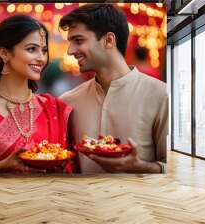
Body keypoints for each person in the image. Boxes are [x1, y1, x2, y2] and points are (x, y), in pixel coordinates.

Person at [0, 15, 72, 174]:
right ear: (4, 53)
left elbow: (70, 166)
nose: (41, 58)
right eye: (31, 49)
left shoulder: (54, 107)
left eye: (44, 50)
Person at [59, 4, 168, 174]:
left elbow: (176, 169)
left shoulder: (161, 95)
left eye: (78, 40)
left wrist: (142, 168)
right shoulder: (67, 101)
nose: (70, 51)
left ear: (108, 40)